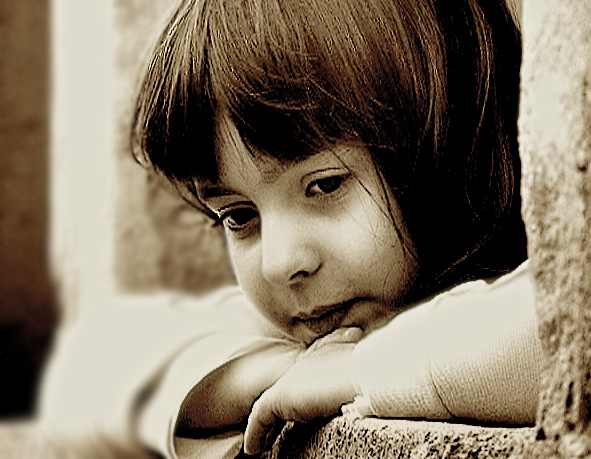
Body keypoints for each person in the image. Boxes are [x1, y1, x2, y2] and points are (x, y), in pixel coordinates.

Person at [39, 0, 540, 457]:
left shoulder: (542, 281)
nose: (280, 263)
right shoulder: (313, 331)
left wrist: (362, 370)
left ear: (445, 145)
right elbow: (83, 378)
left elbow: (559, 337)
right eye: (240, 216)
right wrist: (264, 374)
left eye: (324, 186)